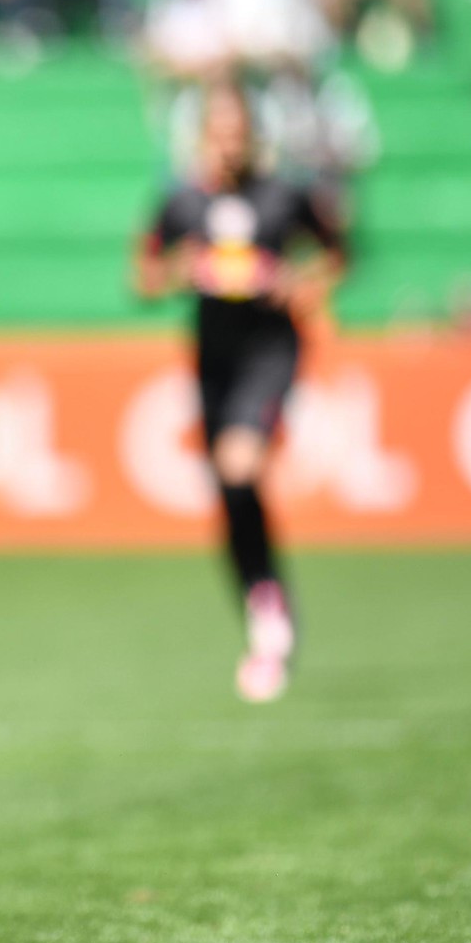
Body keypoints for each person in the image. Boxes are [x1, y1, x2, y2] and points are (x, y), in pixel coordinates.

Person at [135, 82, 348, 704]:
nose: (228, 145)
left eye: (237, 133)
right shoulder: (182, 204)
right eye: (218, 133)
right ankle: (265, 603)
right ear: (203, 137)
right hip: (213, 359)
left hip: (271, 351)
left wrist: (300, 284)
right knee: (230, 488)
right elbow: (144, 277)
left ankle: (268, 611)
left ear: (253, 135)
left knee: (239, 464)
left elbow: (337, 255)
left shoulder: (286, 196)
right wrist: (187, 270)